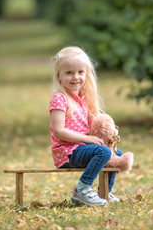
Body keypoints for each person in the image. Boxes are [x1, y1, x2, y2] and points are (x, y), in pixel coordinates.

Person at [49, 46, 122, 206]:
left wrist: (109, 129)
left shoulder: (83, 98)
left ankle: (104, 192)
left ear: (86, 74)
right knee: (102, 151)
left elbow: (93, 125)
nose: (76, 77)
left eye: (80, 72)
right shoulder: (59, 99)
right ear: (59, 75)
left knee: (114, 152)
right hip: (67, 152)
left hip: (82, 148)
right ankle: (82, 190)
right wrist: (88, 139)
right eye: (69, 73)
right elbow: (58, 131)